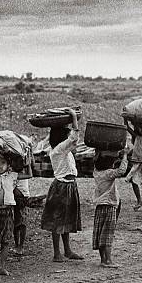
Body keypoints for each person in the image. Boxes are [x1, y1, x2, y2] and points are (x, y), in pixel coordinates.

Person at [40, 108, 83, 262]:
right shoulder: (58, 151)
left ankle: (67, 251)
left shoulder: (64, 151)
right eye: (65, 134)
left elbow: (72, 142)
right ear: (61, 137)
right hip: (62, 186)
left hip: (69, 185)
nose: (67, 136)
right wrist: (73, 117)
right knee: (57, 220)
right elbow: (74, 138)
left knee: (66, 219)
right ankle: (57, 253)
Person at [92, 145, 130, 268]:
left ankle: (103, 259)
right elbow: (122, 171)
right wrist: (125, 156)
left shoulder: (96, 173)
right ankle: (108, 260)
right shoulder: (109, 173)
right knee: (107, 234)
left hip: (99, 206)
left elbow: (96, 159)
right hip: (109, 206)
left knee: (100, 233)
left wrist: (98, 150)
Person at [11, 179, 29, 255]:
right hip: (15, 195)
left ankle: (20, 246)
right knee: (16, 222)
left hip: (21, 195)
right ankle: (17, 245)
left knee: (21, 223)